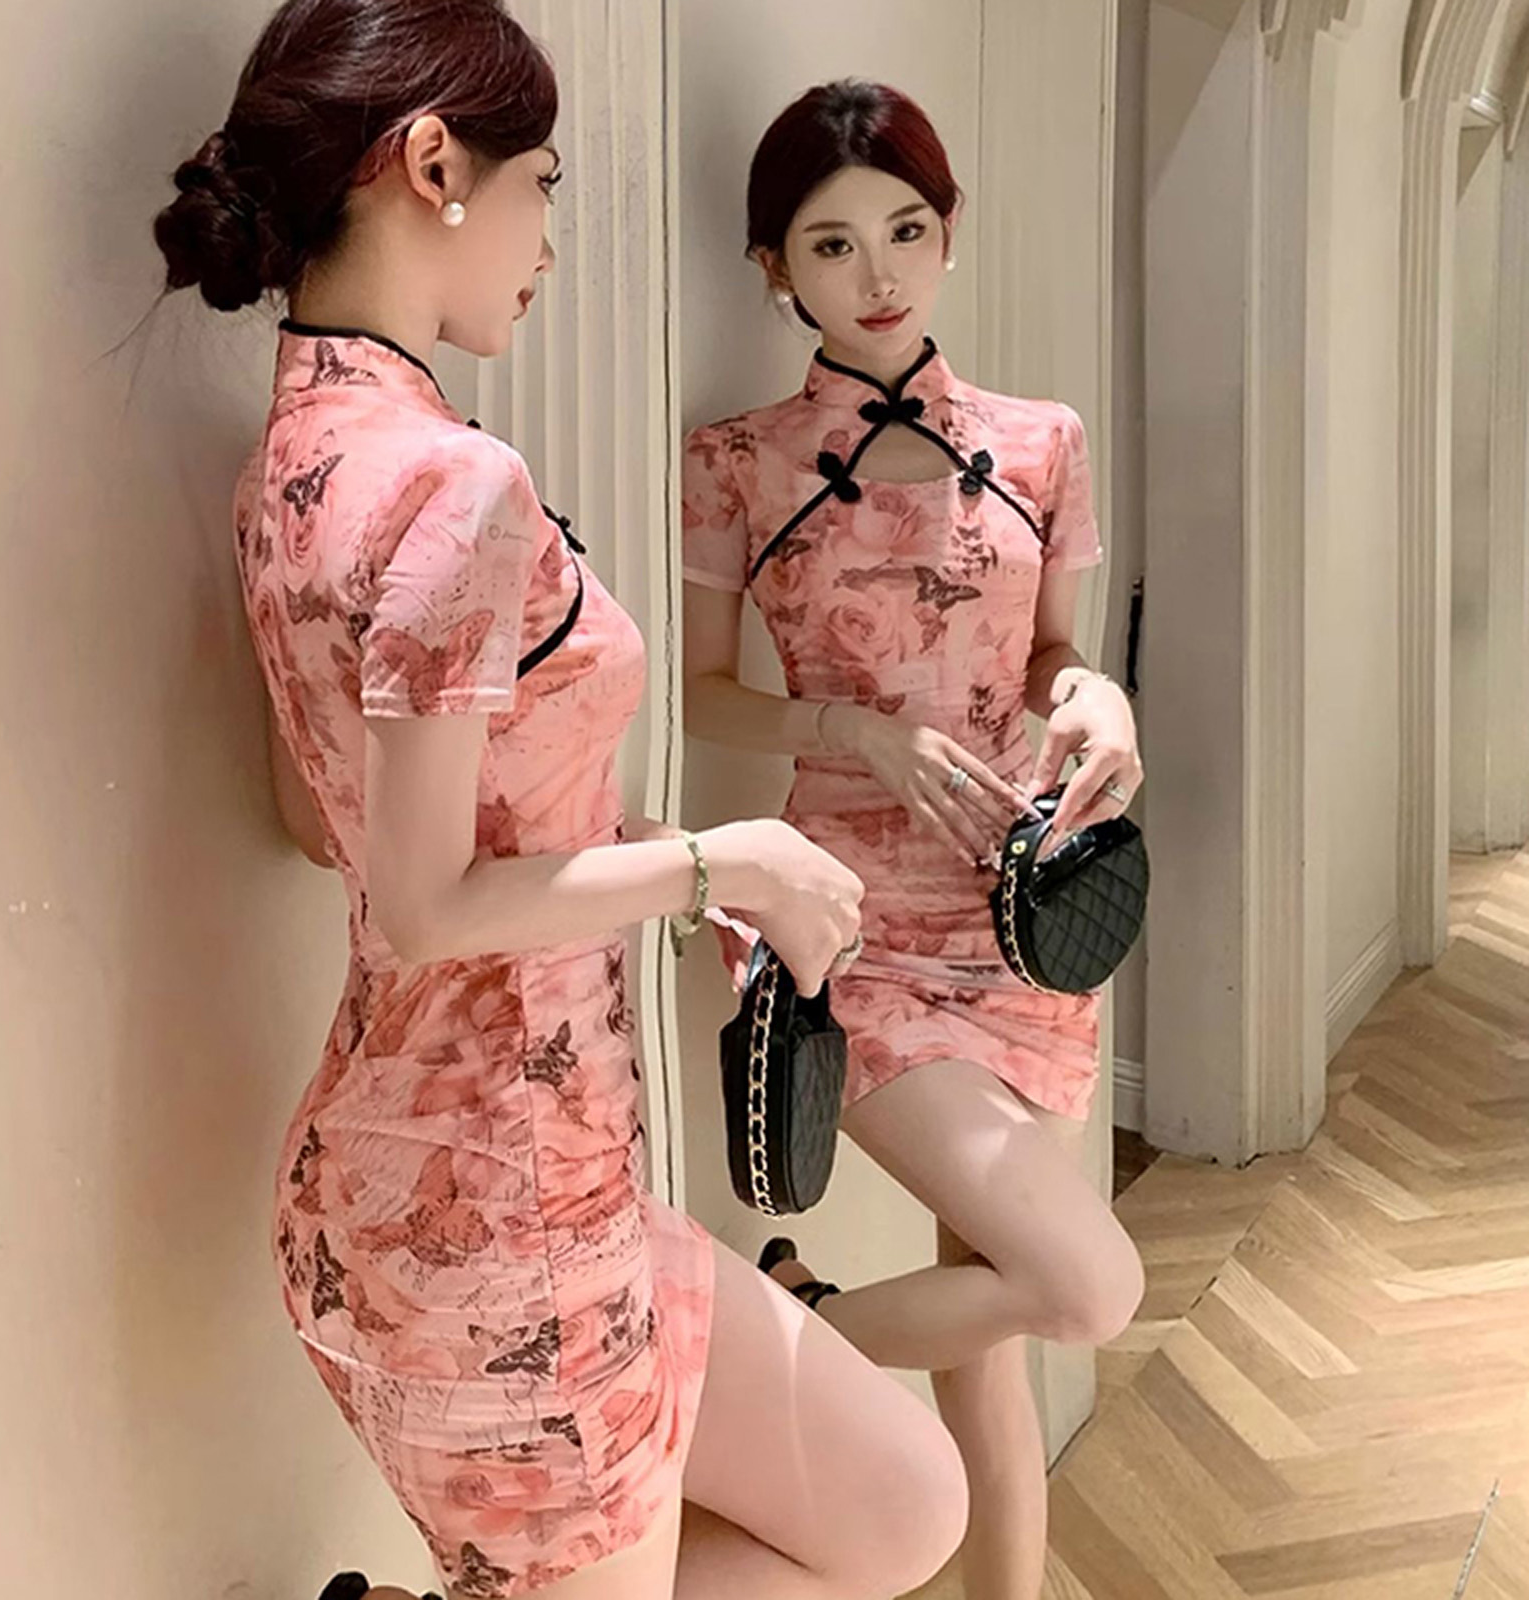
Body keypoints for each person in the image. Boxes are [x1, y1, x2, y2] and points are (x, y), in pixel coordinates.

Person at [154, 15, 969, 1599]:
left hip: (511, 1173)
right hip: (497, 1218)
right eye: (542, 184)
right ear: (433, 165)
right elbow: (420, 903)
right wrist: (719, 861)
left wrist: (617, 846)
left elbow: (324, 821)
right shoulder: (450, 484)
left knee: (901, 1507)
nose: (547, 238)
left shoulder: (287, 469)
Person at [680, 80, 1147, 1600]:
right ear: (775, 268)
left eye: (905, 231)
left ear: (949, 235)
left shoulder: (1041, 441)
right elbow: (698, 696)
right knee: (1084, 1286)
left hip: (1023, 923)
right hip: (849, 930)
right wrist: (853, 730)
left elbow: (1051, 654)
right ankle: (765, 1348)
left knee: (991, 1339)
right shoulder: (735, 462)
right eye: (831, 245)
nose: (877, 275)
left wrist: (1103, 701)